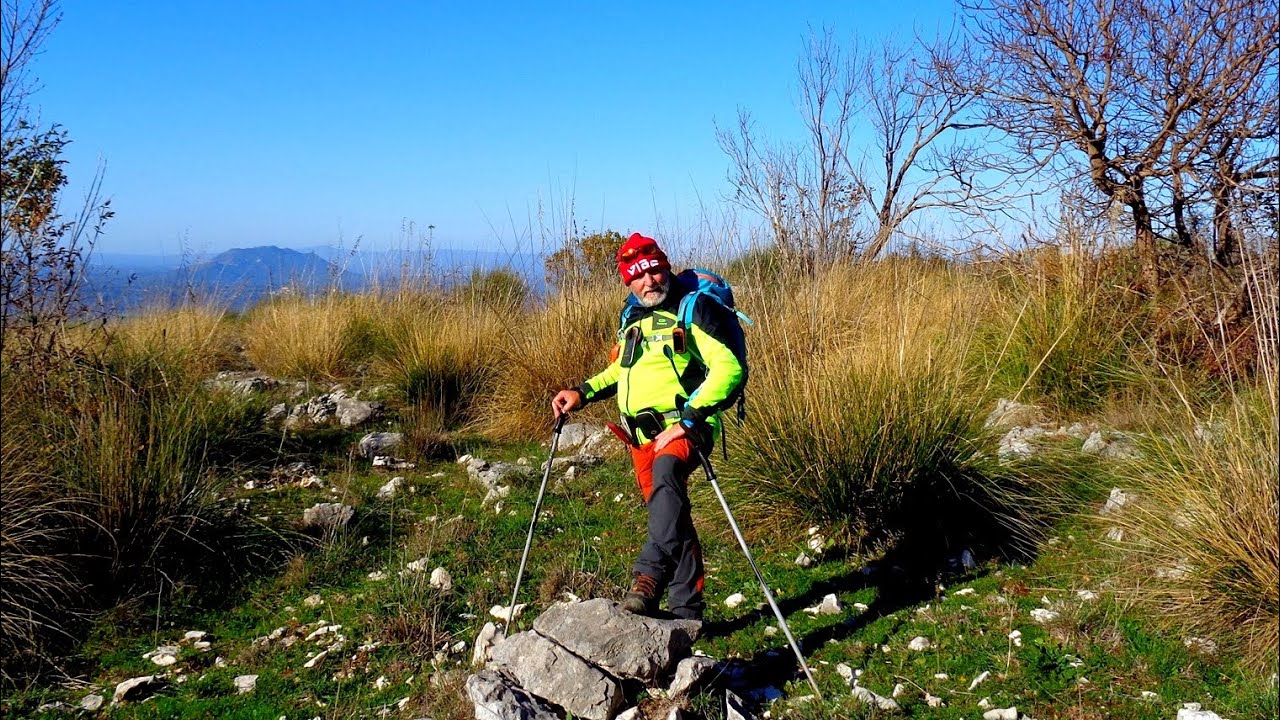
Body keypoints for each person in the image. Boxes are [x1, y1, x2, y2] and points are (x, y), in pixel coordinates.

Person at [550, 232, 745, 621]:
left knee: (667, 475)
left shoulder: (694, 309)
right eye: (639, 276)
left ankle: (647, 577)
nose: (649, 281)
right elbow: (621, 370)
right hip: (640, 436)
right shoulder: (632, 316)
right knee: (670, 516)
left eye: (655, 271)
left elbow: (729, 368)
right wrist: (581, 392)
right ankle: (687, 612)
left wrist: (690, 419)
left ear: (665, 267)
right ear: (628, 281)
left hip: (686, 428)